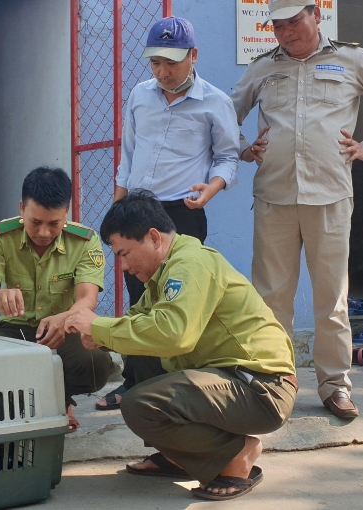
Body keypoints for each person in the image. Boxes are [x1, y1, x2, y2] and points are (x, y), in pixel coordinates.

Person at [230, 0, 363, 419]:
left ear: (316, 15)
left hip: (330, 197)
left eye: (294, 21)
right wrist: (241, 149)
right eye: (277, 25)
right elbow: (226, 114)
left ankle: (335, 387)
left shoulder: (352, 59)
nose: (285, 32)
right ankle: (274, 384)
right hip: (274, 199)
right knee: (270, 299)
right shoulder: (263, 67)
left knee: (331, 299)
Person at [65, 190, 297, 501]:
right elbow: (139, 323)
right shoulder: (163, 274)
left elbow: (175, 335)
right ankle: (177, 456)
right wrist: (97, 334)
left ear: (153, 238)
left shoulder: (190, 263)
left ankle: (236, 455)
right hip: (230, 379)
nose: (121, 266)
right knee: (142, 356)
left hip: (261, 387)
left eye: (123, 253)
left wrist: (98, 327)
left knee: (139, 404)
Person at [98, 15, 241, 411]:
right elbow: (126, 155)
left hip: (184, 213)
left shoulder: (215, 101)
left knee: (179, 300)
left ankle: (178, 383)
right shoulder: (140, 95)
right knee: (139, 297)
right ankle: (134, 382)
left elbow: (228, 158)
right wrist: (119, 204)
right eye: (155, 63)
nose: (162, 72)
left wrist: (210, 189)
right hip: (138, 211)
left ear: (193, 56)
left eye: (172, 63)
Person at [0, 166, 115, 433]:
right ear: (22, 208)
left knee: (96, 364)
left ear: (66, 213)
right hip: (12, 330)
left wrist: (64, 319)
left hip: (64, 330)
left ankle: (60, 400)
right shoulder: (0, 236)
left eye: (54, 224)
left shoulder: (85, 241)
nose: (45, 233)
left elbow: (87, 298)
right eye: (36, 222)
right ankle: (20, 411)